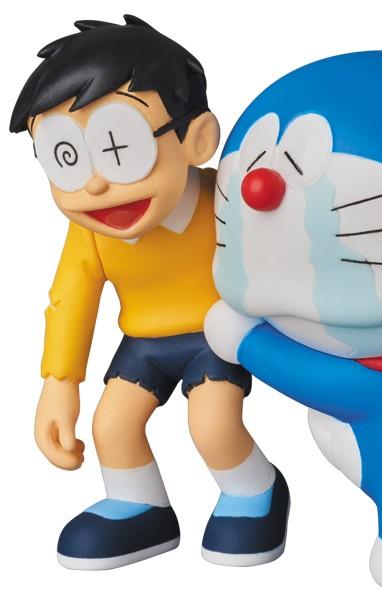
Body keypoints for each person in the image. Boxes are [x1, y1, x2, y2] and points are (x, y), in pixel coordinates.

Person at [9, 14, 289, 570]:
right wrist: (59, 384)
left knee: (212, 425)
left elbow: (282, 256)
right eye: (66, 157)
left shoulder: (224, 201)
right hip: (143, 342)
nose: (95, 184)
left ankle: (255, 489)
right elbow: (70, 301)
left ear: (197, 139)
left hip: (218, 333)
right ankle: (139, 505)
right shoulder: (91, 231)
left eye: (119, 147)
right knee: (111, 426)